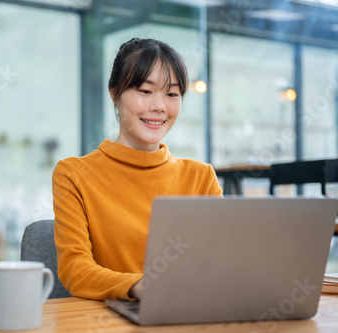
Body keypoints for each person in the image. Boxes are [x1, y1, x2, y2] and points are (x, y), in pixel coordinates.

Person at [52, 38, 222, 301]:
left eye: (172, 94)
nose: (159, 106)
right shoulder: (74, 174)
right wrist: (141, 286)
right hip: (111, 321)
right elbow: (76, 270)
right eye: (145, 90)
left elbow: (220, 263)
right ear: (114, 93)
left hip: (190, 316)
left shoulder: (201, 177)